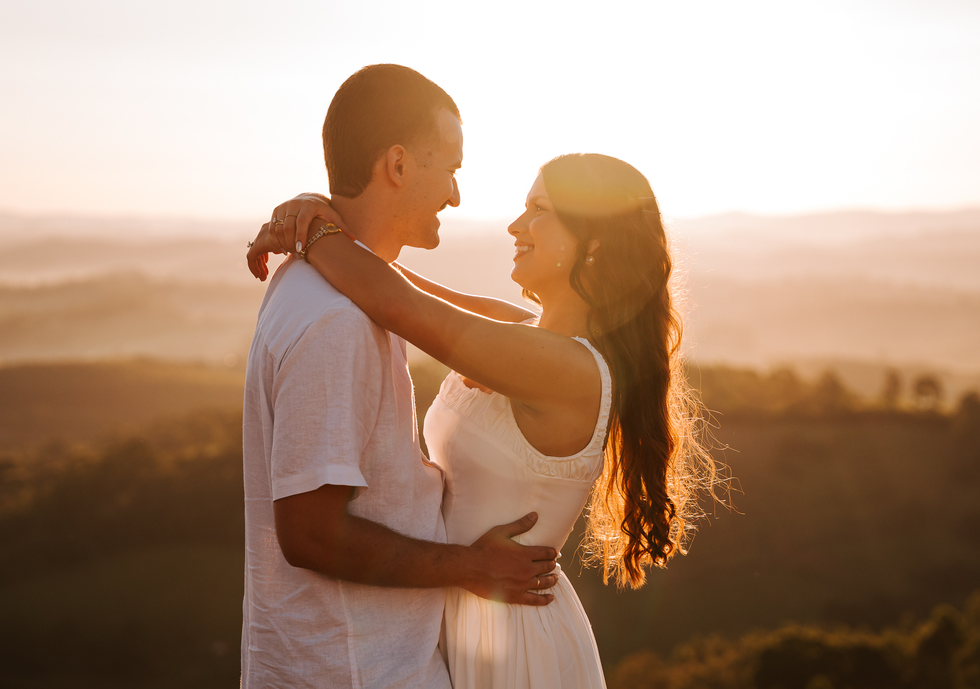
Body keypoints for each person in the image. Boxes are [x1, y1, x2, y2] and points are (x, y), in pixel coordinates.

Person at [249, 153, 719, 688]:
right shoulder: (522, 332)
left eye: (539, 210)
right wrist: (313, 213)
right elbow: (392, 281)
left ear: (594, 242)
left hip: (511, 638)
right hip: (461, 607)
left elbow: (395, 304)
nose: (516, 225)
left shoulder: (569, 369)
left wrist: (312, 230)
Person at [241, 64, 562, 689]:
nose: (455, 195)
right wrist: (470, 566)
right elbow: (310, 534)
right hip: (356, 670)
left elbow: (460, 318)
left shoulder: (314, 282)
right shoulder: (337, 321)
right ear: (398, 164)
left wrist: (323, 229)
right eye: (450, 169)